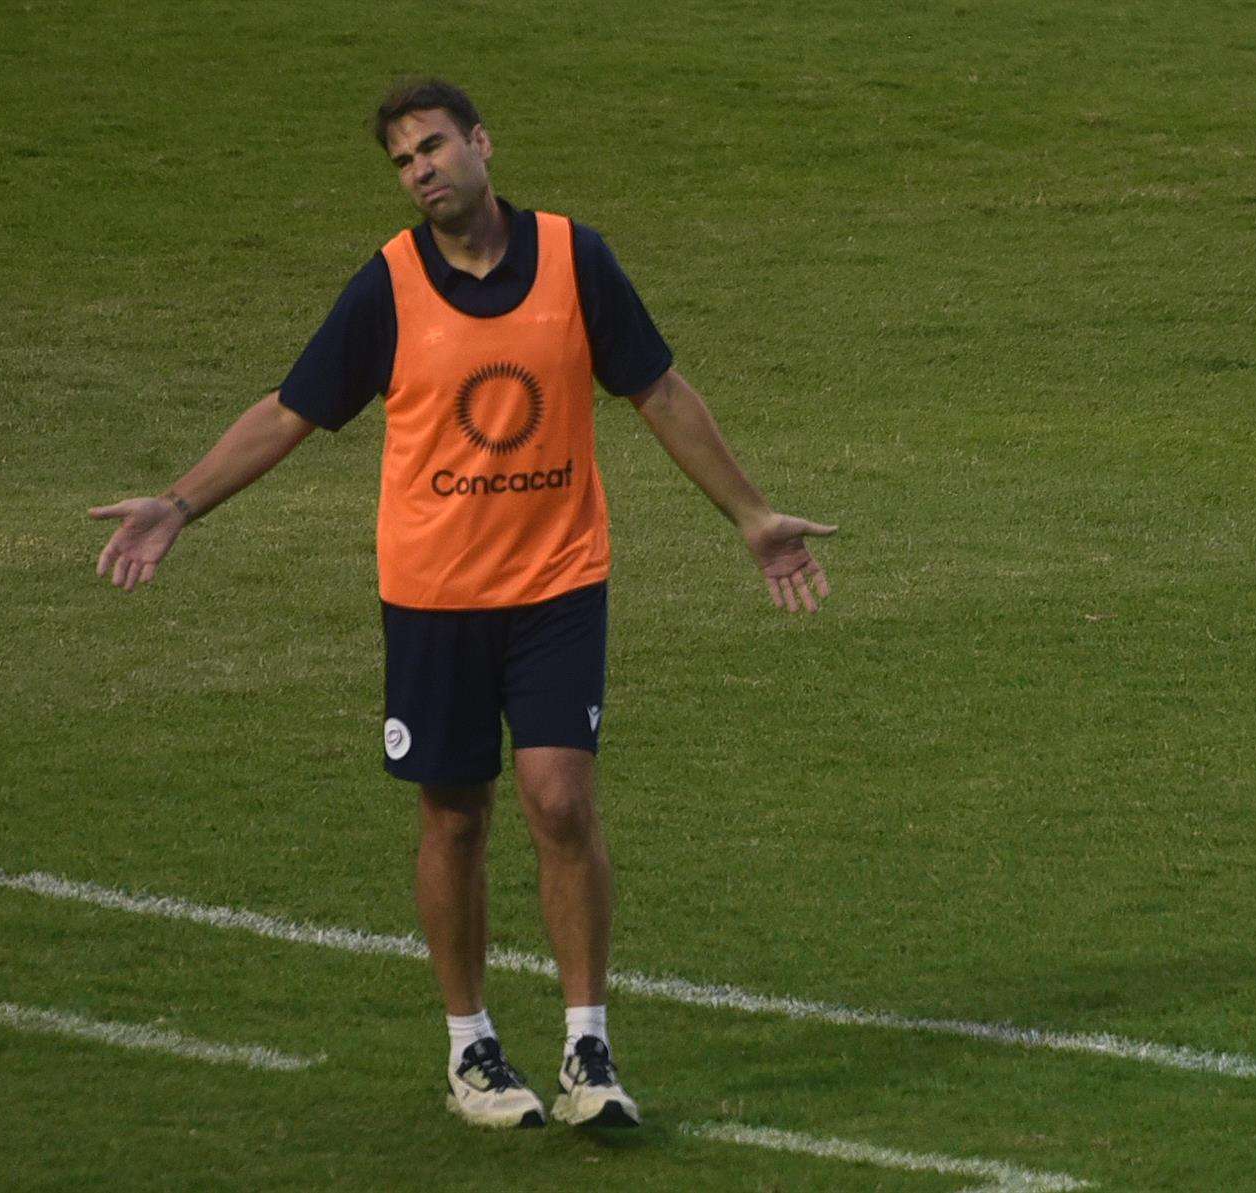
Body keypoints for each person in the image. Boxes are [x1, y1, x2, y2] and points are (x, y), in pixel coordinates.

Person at [89, 78, 834, 1130]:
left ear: (482, 142)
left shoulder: (575, 258)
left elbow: (658, 390)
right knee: (454, 814)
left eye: (434, 146)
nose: (421, 170)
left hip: (558, 582)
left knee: (561, 801)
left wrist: (750, 515)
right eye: (403, 161)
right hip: (434, 596)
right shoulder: (389, 285)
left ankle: (587, 1049)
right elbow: (293, 410)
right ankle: (470, 1047)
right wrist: (178, 504)